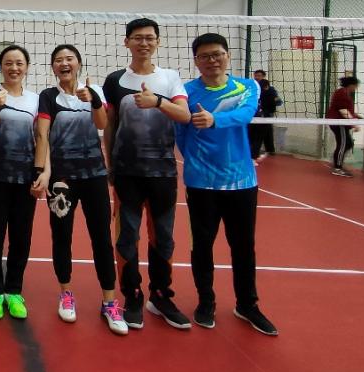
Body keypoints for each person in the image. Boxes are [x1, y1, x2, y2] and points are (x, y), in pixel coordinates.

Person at [175, 33, 277, 336]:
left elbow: (244, 115)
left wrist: (214, 120)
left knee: (243, 246)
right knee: (202, 245)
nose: (212, 60)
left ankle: (247, 304)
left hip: (241, 182)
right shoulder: (186, 92)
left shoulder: (248, 86)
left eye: (217, 54)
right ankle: (205, 302)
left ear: (227, 56)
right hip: (201, 183)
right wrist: (196, 160)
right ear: (196, 61)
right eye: (205, 56)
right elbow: (180, 132)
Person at [31, 44, 127, 335]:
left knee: (101, 238)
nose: (64, 63)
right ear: (53, 67)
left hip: (94, 175)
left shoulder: (94, 91)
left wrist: (93, 101)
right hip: (63, 179)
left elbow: (102, 123)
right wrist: (42, 171)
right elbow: (43, 134)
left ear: (78, 64)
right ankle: (66, 294)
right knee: (62, 236)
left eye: (69, 59)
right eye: (58, 60)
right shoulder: (48, 97)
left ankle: (109, 302)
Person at [103, 18, 192, 331]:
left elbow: (184, 115)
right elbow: (110, 126)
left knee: (163, 237)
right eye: (138, 38)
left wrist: (158, 101)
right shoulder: (115, 80)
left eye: (149, 38)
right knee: (127, 236)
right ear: (127, 42)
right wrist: (110, 165)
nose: (144, 43)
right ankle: (133, 296)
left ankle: (161, 295)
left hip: (162, 173)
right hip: (127, 174)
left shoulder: (170, 78)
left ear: (157, 42)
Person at [0, 45, 38, 320]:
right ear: (1, 66)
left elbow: (41, 138)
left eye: (19, 63)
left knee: (21, 237)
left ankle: (14, 290)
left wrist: (41, 172)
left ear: (26, 67)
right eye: (9, 63)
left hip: (25, 178)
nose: (14, 68)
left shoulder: (36, 100)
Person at [327, 75, 362, 177]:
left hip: (341, 122)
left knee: (349, 143)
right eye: (356, 86)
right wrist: (354, 124)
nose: (356, 88)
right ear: (351, 85)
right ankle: (337, 167)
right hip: (339, 123)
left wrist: (357, 116)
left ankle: (338, 162)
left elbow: (346, 109)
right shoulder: (342, 93)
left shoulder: (344, 93)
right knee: (344, 143)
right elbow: (343, 110)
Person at [249, 69, 282, 161]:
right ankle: (259, 151)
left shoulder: (270, 89)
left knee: (264, 132)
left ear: (263, 76)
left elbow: (279, 102)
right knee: (261, 132)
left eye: (259, 75)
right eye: (255, 75)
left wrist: (273, 100)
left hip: (267, 114)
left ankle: (266, 150)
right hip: (256, 114)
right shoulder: (253, 88)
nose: (257, 77)